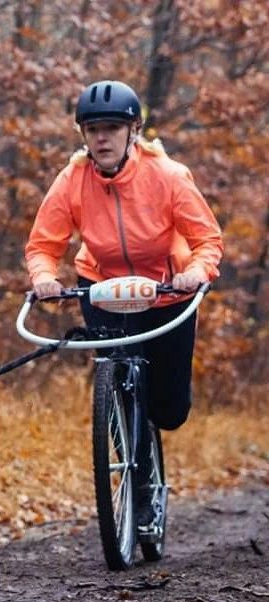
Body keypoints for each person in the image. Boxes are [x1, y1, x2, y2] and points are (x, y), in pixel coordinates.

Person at [24, 79, 223, 529]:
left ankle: (152, 433)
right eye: (93, 129)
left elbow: (207, 239)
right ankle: (135, 483)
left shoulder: (168, 176)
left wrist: (196, 272)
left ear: (134, 131)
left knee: (169, 411)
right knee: (114, 384)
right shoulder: (72, 181)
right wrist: (44, 278)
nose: (102, 137)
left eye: (113, 127)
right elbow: (42, 244)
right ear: (83, 136)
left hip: (166, 292)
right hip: (103, 291)